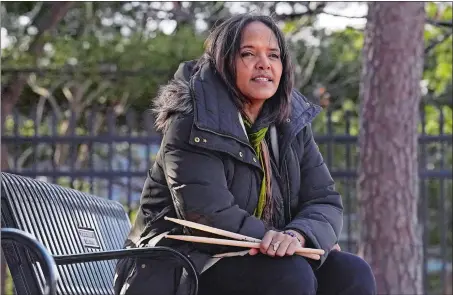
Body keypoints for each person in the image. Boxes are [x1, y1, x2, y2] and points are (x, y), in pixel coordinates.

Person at [114, 14, 376, 295]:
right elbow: (208, 216)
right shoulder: (192, 120)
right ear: (224, 63)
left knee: (351, 272)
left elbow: (324, 200)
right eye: (248, 53)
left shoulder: (290, 123)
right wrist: (281, 244)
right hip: (179, 266)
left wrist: (299, 236)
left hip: (259, 258)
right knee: (288, 274)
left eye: (273, 55)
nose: (264, 63)